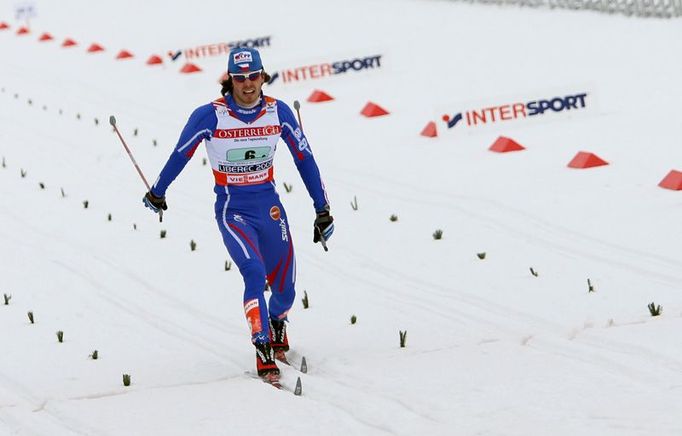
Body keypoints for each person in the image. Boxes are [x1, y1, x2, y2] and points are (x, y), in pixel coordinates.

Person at [142, 47, 334, 383]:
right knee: (253, 273)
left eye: (253, 76)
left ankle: (277, 323)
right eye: (239, 78)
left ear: (263, 76)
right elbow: (180, 154)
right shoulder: (210, 115)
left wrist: (323, 209)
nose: (247, 84)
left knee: (286, 292)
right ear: (229, 80)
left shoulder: (279, 112)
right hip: (234, 211)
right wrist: (158, 191)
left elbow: (305, 160)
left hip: (271, 208)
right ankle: (262, 348)